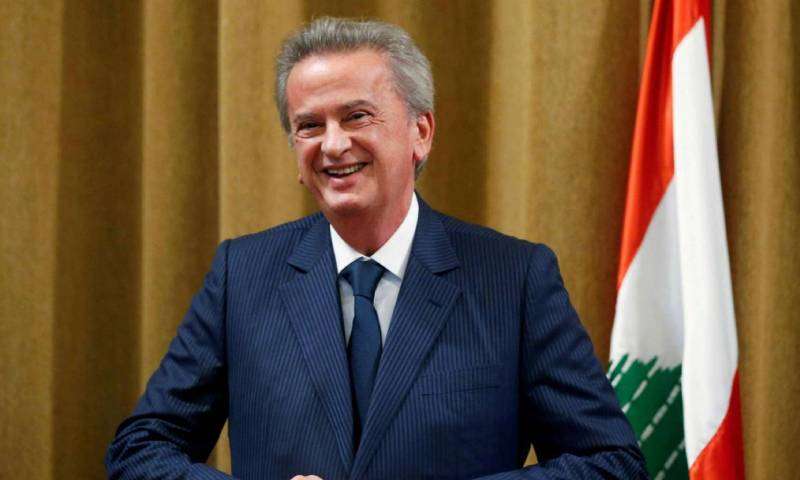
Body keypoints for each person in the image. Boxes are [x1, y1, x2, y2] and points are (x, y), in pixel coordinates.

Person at [106, 17, 647, 480]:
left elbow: (611, 463)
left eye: (357, 116)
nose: (333, 144)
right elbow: (140, 450)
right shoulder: (242, 274)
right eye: (309, 126)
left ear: (421, 132)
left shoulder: (515, 278)